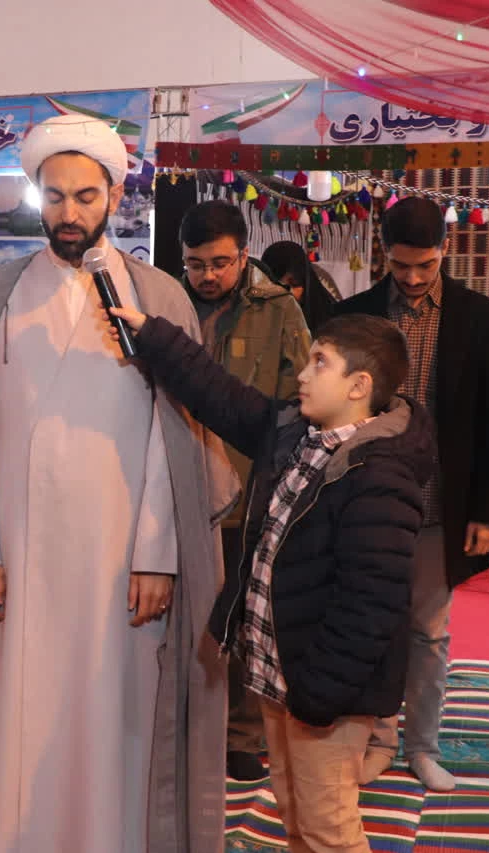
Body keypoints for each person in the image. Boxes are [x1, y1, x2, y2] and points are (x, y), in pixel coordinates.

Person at [0, 114, 237, 853]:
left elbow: (173, 440)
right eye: (53, 197)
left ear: (114, 196)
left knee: (116, 713)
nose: (69, 213)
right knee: (21, 712)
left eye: (86, 196)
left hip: (121, 560)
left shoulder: (158, 297)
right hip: (21, 558)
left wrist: (158, 554)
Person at [109, 304, 433, 853]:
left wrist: (319, 696)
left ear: (359, 386)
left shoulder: (379, 475)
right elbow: (218, 394)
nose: (303, 374)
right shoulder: (295, 432)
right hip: (280, 677)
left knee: (328, 828)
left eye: (319, 363)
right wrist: (153, 334)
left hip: (323, 693)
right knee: (297, 817)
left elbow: (370, 606)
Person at [334, 196, 489, 792]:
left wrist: (486, 511)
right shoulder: (354, 315)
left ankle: (423, 746)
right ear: (383, 252)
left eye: (425, 265)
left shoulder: (480, 317)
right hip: (367, 500)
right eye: (400, 265)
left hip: (440, 501)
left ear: (446, 250)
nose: (412, 278)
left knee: (429, 631)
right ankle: (378, 740)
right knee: (372, 622)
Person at [179, 200, 312, 782]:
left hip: (247, 487)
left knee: (240, 616)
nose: (207, 275)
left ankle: (239, 735)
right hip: (177, 481)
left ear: (244, 254)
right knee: (181, 614)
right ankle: (183, 726)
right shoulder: (167, 299)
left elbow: (300, 401)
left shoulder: (278, 309)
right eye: (195, 264)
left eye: (220, 263)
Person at [261, 240, 339, 331]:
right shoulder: (255, 320)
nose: (290, 293)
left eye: (294, 284)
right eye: (278, 287)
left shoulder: (331, 323)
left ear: (306, 282)